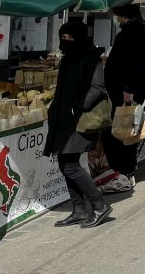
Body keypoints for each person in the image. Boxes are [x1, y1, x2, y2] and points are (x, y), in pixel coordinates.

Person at [44, 21, 111, 228]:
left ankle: (99, 205)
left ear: (79, 37)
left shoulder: (91, 57)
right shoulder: (67, 59)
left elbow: (98, 87)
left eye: (69, 38)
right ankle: (79, 210)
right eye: (62, 37)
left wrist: (78, 106)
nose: (65, 42)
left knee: (70, 165)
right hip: (63, 120)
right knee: (65, 164)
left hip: (80, 119)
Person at [99, 4, 145, 195]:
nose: (115, 18)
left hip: (126, 92)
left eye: (116, 14)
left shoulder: (134, 31)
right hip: (125, 90)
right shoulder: (138, 30)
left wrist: (129, 88)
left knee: (123, 133)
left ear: (123, 14)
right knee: (127, 131)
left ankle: (124, 174)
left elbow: (134, 62)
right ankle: (126, 173)